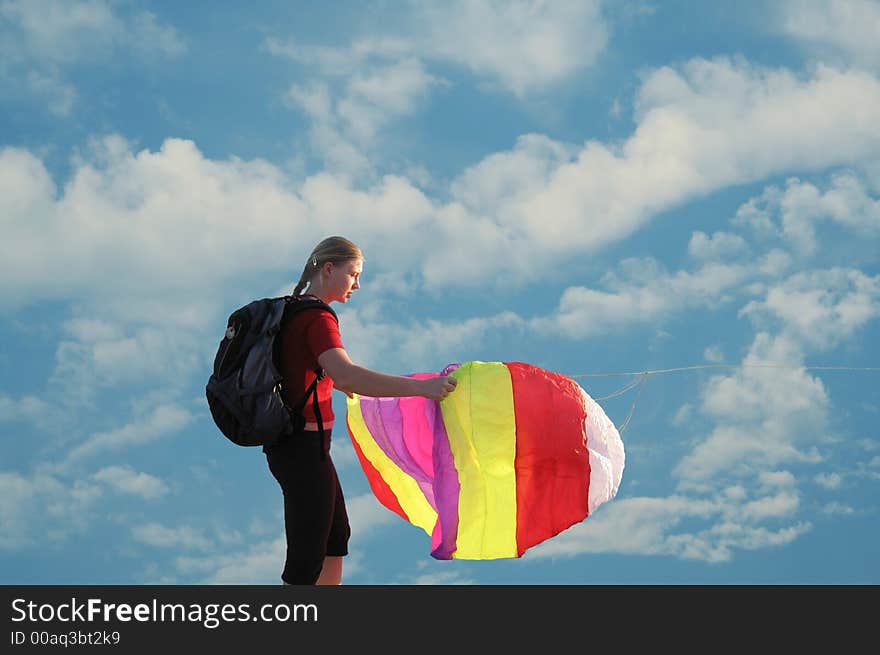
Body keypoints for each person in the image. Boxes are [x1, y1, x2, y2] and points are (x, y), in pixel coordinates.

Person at [264, 235, 457, 585]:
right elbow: (346, 373)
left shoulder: (293, 311)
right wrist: (421, 389)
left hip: (302, 450)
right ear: (328, 269)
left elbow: (324, 375)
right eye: (353, 274)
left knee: (335, 537)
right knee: (308, 554)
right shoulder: (317, 318)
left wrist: (358, 387)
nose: (357, 284)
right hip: (301, 450)